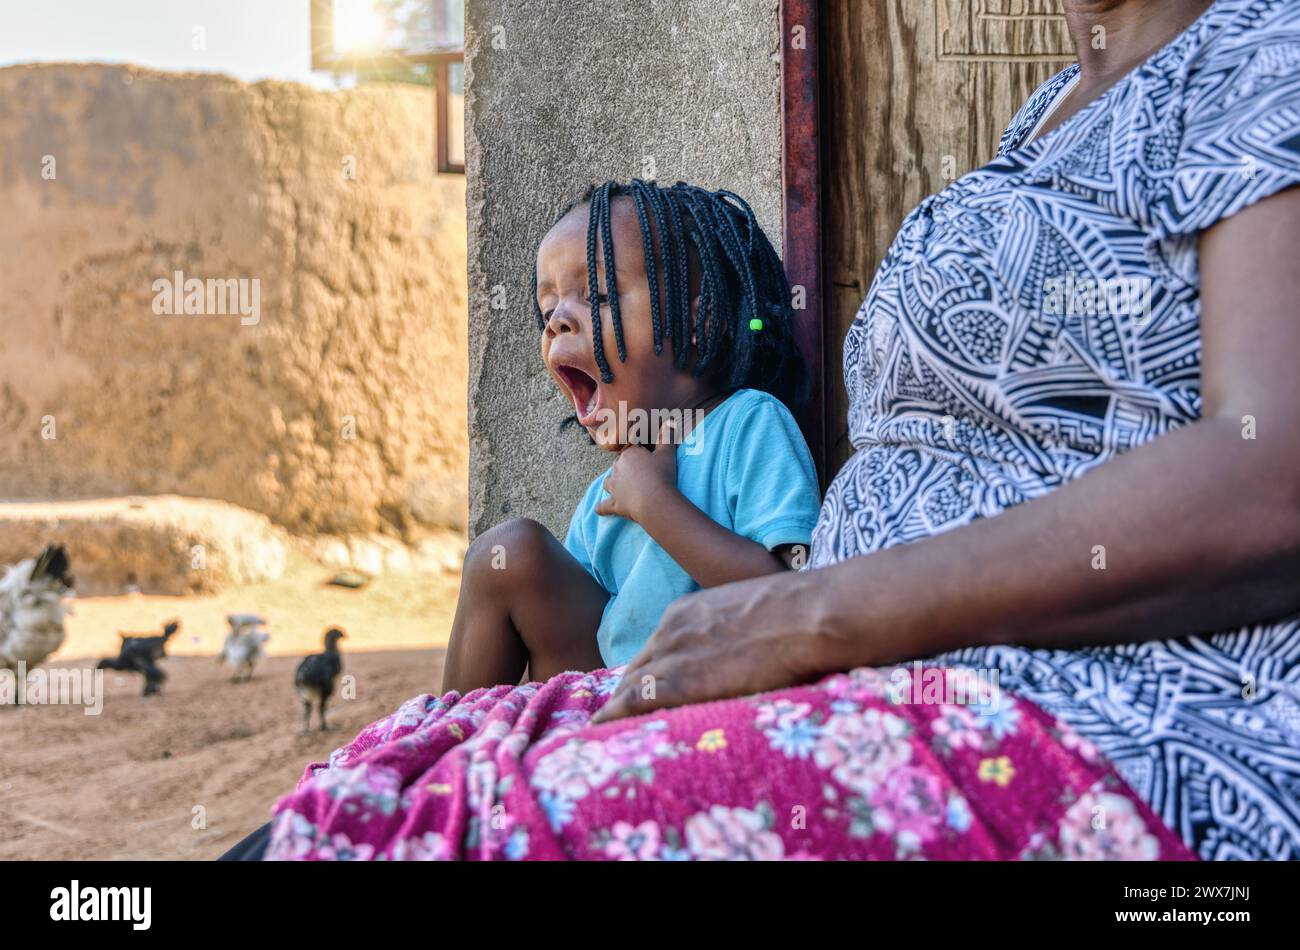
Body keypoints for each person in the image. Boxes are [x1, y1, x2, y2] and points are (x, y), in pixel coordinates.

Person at [228, 0, 1300, 861]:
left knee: (436, 835)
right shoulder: (1051, 115)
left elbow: (1274, 479)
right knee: (396, 776)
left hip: (1120, 718)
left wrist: (811, 616)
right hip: (881, 673)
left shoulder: (1264, 49)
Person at [441, 180, 820, 691]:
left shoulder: (748, 424)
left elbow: (793, 603)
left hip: (718, 698)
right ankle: (454, 748)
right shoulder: (607, 493)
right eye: (548, 309)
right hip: (611, 703)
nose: (557, 323)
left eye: (596, 294)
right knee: (507, 554)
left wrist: (655, 502)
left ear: (699, 318)